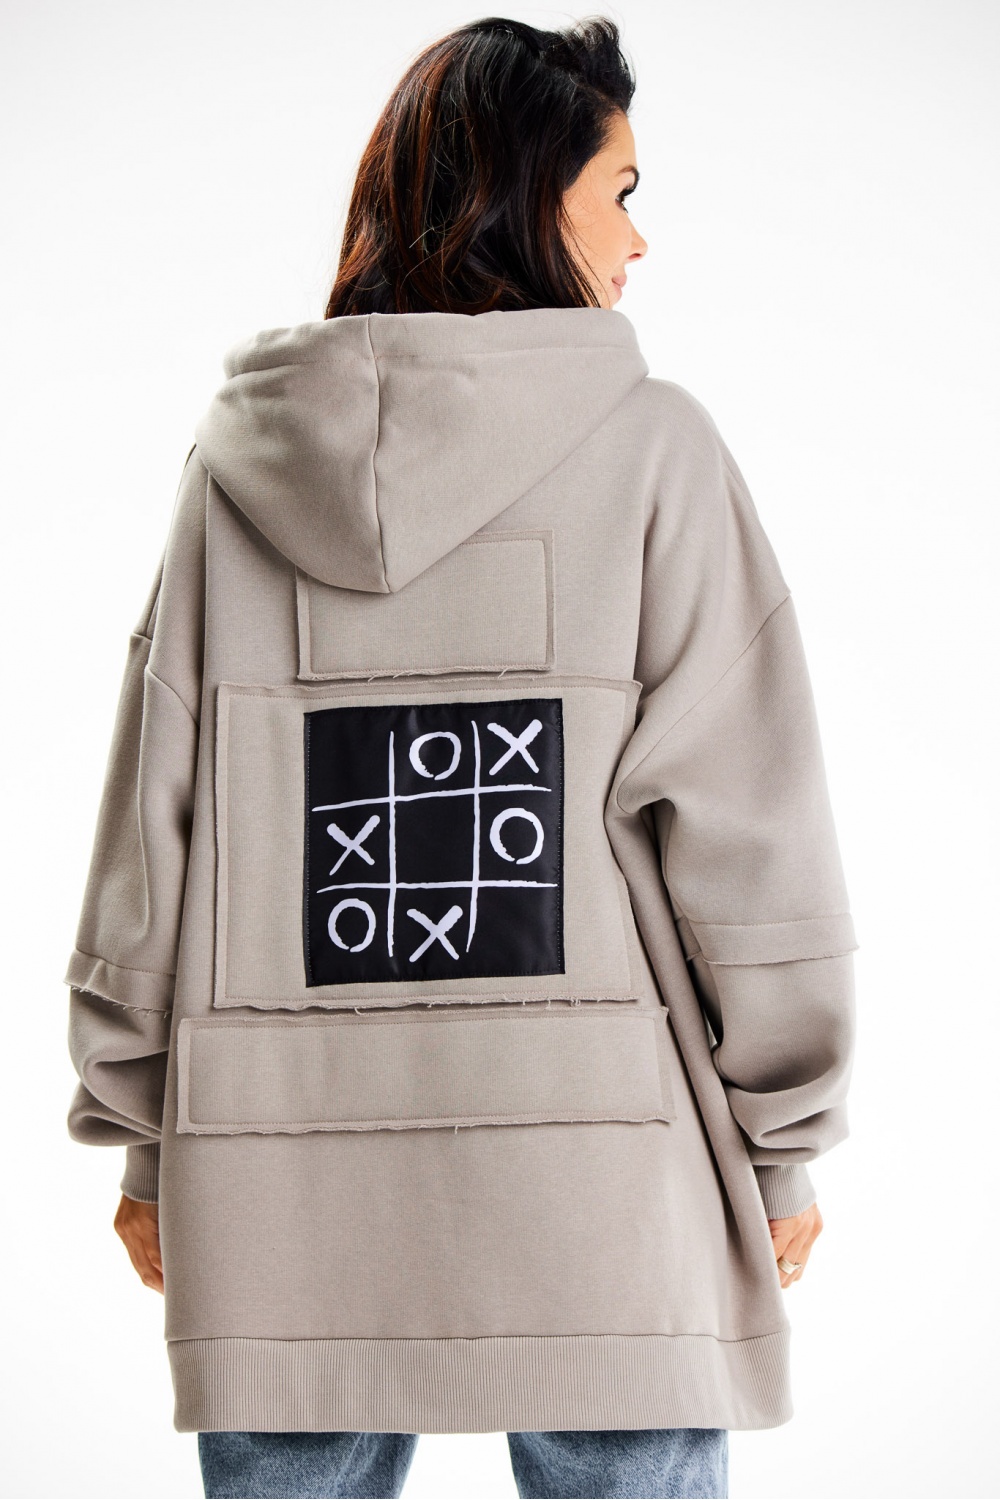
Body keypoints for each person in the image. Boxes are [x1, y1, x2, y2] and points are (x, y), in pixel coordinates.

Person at [63, 15, 857, 1500]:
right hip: (604, 1170)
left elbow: (150, 835)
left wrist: (148, 1139)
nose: (641, 238)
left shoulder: (236, 474)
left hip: (281, 1170)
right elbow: (751, 835)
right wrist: (783, 1138)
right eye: (621, 191)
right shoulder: (655, 451)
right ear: (535, 192)